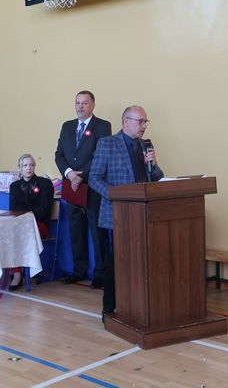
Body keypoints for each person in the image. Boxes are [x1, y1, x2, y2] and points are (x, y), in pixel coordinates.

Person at [89, 105, 164, 319]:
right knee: (115, 263)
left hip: (142, 214)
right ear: (125, 122)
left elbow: (156, 177)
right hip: (117, 215)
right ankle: (109, 309)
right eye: (140, 121)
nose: (144, 126)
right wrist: (115, 195)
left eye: (145, 122)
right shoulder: (108, 144)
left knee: (141, 261)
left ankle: (137, 305)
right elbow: (94, 178)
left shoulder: (145, 145)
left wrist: (153, 165)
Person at [55, 90, 112, 287]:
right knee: (76, 231)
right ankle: (79, 270)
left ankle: (100, 275)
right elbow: (59, 154)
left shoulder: (102, 126)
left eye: (85, 103)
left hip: (93, 186)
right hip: (72, 187)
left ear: (93, 105)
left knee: (97, 232)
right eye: (77, 103)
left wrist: (80, 176)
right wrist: (69, 173)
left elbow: (100, 156)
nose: (80, 106)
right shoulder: (67, 126)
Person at [8, 153, 54, 291]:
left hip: (39, 224)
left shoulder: (45, 184)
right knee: (10, 231)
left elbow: (44, 209)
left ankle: (17, 274)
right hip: (21, 225)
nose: (28, 168)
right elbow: (13, 209)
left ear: (34, 167)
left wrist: (27, 216)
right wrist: (24, 216)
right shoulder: (14, 186)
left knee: (17, 232)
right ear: (20, 168)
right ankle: (17, 272)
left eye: (31, 165)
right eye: (25, 165)